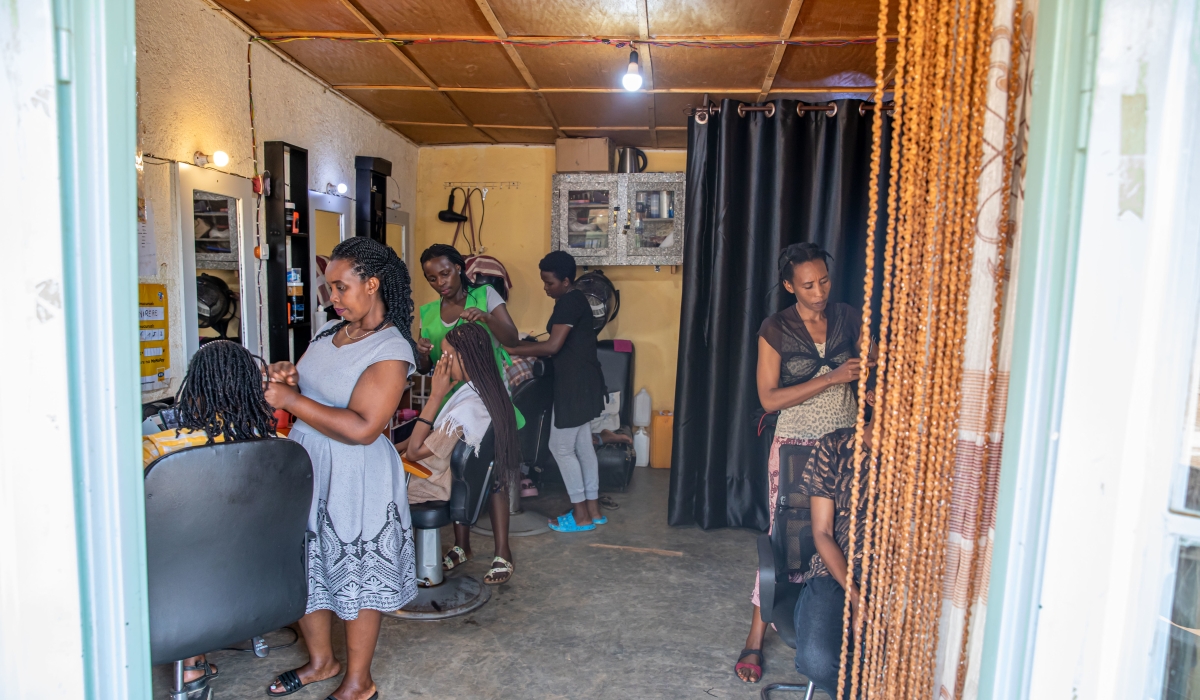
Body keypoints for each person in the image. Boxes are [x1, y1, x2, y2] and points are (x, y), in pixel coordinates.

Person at [263, 237, 417, 700]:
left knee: (356, 570)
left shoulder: (391, 349)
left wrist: (292, 400)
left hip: (356, 474)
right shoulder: (330, 333)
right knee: (310, 565)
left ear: (372, 284)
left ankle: (359, 681)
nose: (332, 298)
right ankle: (322, 661)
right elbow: (317, 387)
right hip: (309, 465)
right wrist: (293, 378)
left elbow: (363, 427)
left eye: (340, 288)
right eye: (329, 288)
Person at [735, 242, 872, 684]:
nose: (819, 292)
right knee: (785, 539)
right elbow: (768, 398)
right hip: (795, 444)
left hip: (844, 444)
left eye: (824, 281)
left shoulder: (848, 318)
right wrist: (831, 377)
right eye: (808, 285)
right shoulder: (775, 329)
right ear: (789, 285)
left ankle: (833, 621)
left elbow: (874, 370)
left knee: (838, 537)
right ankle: (756, 637)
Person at [142, 339, 278, 696]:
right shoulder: (275, 443)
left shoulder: (158, 447)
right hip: (251, 573)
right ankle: (194, 662)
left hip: (182, 578)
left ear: (195, 386)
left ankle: (192, 665)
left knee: (181, 549)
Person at [412, 243, 525, 571]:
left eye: (445, 273)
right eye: (431, 278)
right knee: (457, 470)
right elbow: (425, 366)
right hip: (449, 400)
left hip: (485, 396)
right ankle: (462, 547)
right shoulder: (429, 312)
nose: (440, 282)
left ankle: (503, 551)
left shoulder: (486, 295)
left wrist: (488, 319)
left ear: (460, 268)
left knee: (491, 472)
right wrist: (420, 352)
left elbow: (513, 339)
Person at [399, 323, 521, 584]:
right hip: (447, 479)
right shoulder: (487, 392)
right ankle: (460, 548)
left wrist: (435, 396)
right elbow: (431, 435)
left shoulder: (466, 408)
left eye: (446, 356)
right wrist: (388, 447)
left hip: (431, 485)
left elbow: (415, 451)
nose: (441, 363)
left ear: (464, 359)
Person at [506, 251, 607, 533]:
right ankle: (594, 510)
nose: (545, 288)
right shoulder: (574, 300)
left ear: (565, 281)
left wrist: (513, 349)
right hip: (586, 382)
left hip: (574, 386)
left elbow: (552, 347)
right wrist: (522, 346)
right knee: (583, 446)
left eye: (549, 283)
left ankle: (581, 515)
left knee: (560, 447)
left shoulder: (568, 302)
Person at [793, 387, 877, 698]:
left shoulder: (919, 458)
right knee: (817, 659)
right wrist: (855, 597)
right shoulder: (836, 447)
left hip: (894, 580)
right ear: (870, 396)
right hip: (836, 573)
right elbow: (822, 532)